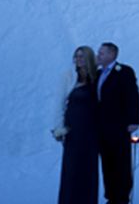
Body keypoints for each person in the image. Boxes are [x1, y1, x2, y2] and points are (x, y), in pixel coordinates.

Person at [52, 45, 99, 204]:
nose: (78, 59)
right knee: (72, 169)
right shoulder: (68, 76)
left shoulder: (96, 77)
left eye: (82, 56)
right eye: (76, 56)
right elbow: (58, 103)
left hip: (91, 131)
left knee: (89, 169)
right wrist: (58, 128)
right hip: (74, 130)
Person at [96, 42, 139, 204]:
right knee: (107, 162)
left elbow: (133, 96)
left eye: (101, 53)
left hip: (119, 126)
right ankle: (111, 196)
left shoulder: (124, 71)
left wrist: (134, 120)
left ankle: (122, 197)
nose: (98, 55)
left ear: (112, 55)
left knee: (121, 161)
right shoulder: (98, 73)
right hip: (102, 127)